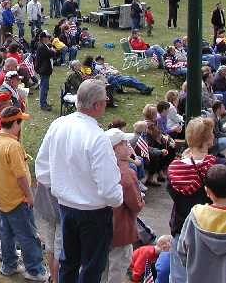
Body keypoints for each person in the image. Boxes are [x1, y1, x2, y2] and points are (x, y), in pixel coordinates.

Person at [35, 79, 123, 282]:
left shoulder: (60, 124)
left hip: (66, 206)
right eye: (104, 100)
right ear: (97, 105)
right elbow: (109, 187)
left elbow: (43, 169)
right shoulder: (97, 137)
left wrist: (63, 184)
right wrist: (116, 200)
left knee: (69, 262)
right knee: (92, 267)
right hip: (93, 212)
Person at [0, 106, 47, 281]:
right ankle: (35, 270)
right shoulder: (13, 146)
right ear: (14, 123)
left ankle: (9, 265)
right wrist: (29, 196)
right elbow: (21, 176)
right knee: (27, 235)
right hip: (17, 199)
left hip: (2, 197)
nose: (21, 126)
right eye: (20, 122)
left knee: (6, 234)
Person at [166, 117, 218, 283]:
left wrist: (182, 159)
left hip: (181, 227)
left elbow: (173, 192)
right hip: (208, 229)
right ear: (208, 139)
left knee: (179, 277)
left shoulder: (174, 169)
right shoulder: (216, 168)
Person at [102, 128, 145, 283]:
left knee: (101, 267)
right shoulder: (126, 173)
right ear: (115, 148)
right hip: (120, 228)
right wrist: (141, 200)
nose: (129, 145)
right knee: (118, 266)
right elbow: (136, 204)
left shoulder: (98, 166)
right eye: (125, 143)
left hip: (99, 226)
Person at [35, 30, 56, 111]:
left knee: (45, 87)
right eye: (48, 37)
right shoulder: (42, 47)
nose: (49, 38)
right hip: (44, 70)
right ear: (44, 38)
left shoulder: (44, 45)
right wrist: (53, 51)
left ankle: (44, 103)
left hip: (44, 69)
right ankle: (43, 104)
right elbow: (51, 54)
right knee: (44, 87)